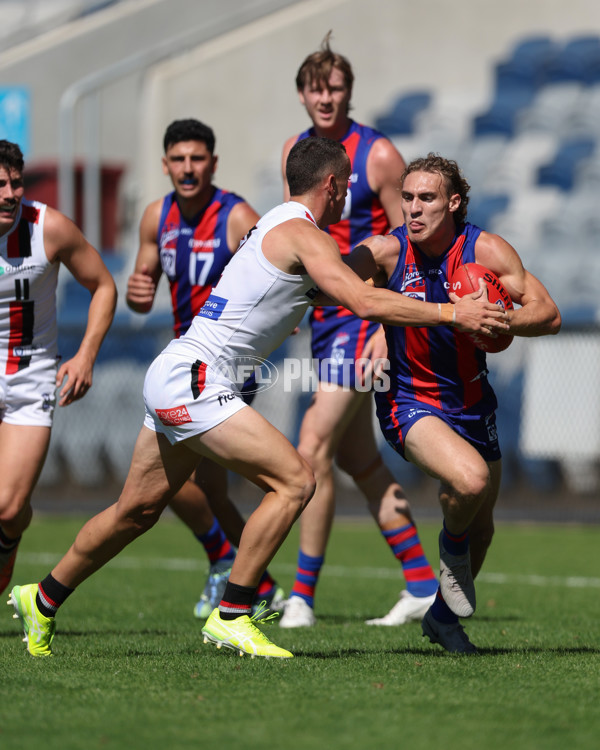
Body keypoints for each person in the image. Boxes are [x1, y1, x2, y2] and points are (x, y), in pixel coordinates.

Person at [8, 136, 507, 659]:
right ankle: (234, 613)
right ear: (332, 186)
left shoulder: (270, 223)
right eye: (345, 191)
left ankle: (39, 599)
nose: (346, 203)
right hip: (197, 381)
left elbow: (283, 292)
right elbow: (361, 300)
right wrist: (455, 314)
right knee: (296, 480)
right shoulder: (304, 235)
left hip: (178, 370)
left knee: (135, 511)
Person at [351, 153, 561, 652]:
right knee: (470, 480)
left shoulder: (484, 250)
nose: (414, 210)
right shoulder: (385, 252)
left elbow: (548, 313)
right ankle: (448, 556)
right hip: (407, 399)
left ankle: (442, 619)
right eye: (407, 198)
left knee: (482, 527)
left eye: (427, 198)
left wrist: (495, 320)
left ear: (454, 202)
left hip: (473, 401)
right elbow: (331, 280)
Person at [279, 32, 438, 628]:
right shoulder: (297, 152)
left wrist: (383, 325)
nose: (327, 97)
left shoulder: (377, 156)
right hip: (323, 317)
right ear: (302, 95)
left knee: (311, 447)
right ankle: (422, 583)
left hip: (362, 318)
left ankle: (301, 598)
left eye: (336, 87)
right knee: (358, 461)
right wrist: (290, 305)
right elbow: (296, 237)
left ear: (349, 92)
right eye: (317, 88)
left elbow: (413, 242)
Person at [126, 118, 283, 619]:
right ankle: (257, 579)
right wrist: (137, 291)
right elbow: (142, 278)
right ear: (166, 164)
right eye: (179, 159)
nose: (188, 169)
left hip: (231, 365)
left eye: (197, 159)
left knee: (169, 485)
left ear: (213, 163)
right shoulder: (157, 216)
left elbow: (277, 268)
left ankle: (226, 565)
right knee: (207, 489)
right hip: (186, 360)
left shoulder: (237, 216)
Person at [0, 139, 117, 597]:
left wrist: (86, 354)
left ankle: (8, 542)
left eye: (15, 183)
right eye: (0, 185)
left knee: (9, 509)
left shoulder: (48, 227)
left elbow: (104, 285)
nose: (10, 194)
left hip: (31, 380)